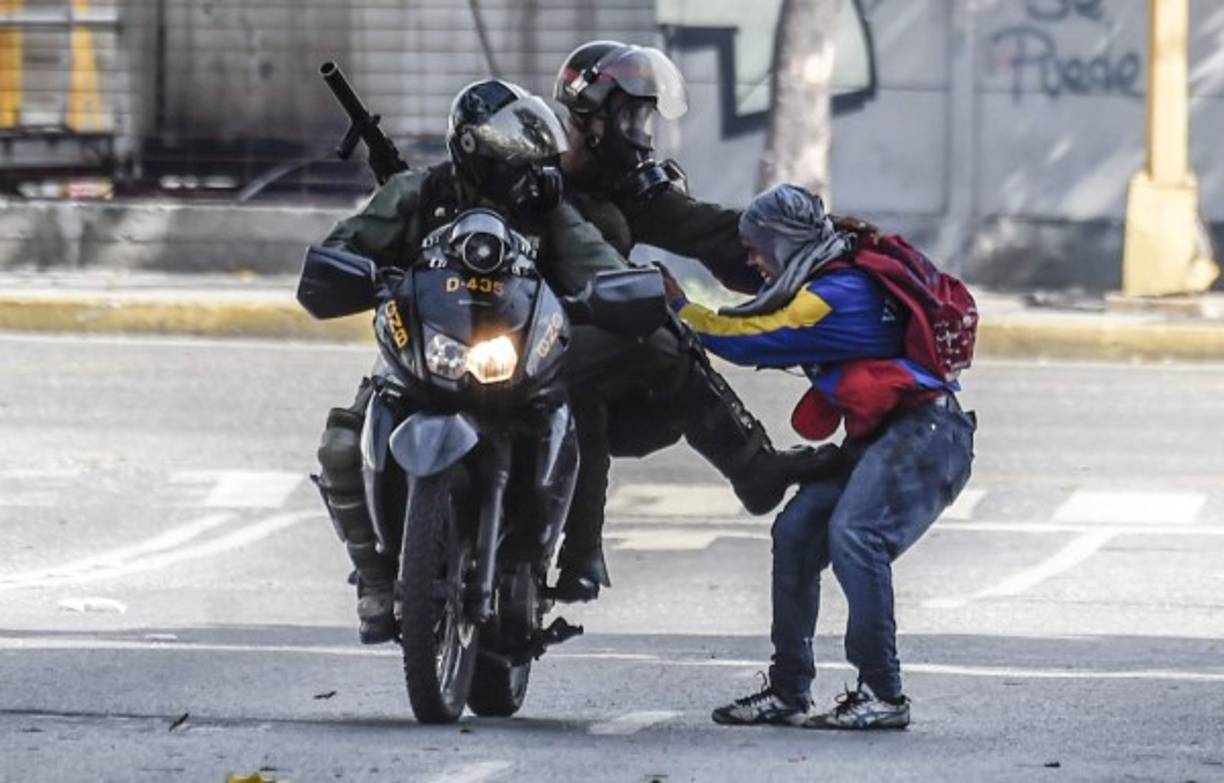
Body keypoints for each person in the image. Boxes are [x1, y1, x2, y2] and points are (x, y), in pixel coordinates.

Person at [311, 79, 829, 643]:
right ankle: (374, 579)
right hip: (428, 345)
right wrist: (360, 276)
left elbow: (598, 262)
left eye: (528, 155)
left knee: (575, 402)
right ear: (471, 147)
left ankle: (566, 548)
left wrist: (623, 293)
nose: (521, 167)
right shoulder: (418, 192)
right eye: (507, 152)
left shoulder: (547, 205)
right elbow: (344, 249)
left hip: (511, 349)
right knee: (342, 443)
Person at [548, 41, 866, 599]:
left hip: (583, 354)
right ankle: (382, 561)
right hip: (502, 337)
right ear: (591, 116)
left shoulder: (629, 194)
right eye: (630, 115)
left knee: (655, 339)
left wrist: (826, 243)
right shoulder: (524, 171)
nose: (640, 130)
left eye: (645, 116)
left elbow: (716, 230)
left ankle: (753, 470)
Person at [664, 184, 976, 729]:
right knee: (797, 533)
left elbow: (750, 335)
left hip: (925, 434)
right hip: (885, 435)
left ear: (783, 245)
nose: (753, 262)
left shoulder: (834, 295)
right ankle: (788, 690)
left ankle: (883, 693)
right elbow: (760, 300)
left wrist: (679, 308)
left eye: (758, 249)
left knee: (856, 535)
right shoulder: (822, 275)